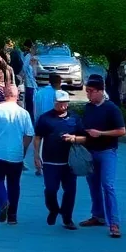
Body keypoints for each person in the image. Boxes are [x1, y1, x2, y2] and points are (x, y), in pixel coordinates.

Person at [72, 77, 126, 238]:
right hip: (90, 152)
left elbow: (122, 131)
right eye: (86, 91)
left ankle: (114, 223)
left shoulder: (112, 109)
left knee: (108, 185)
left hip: (107, 152)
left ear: (100, 91)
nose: (88, 94)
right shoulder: (88, 107)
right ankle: (98, 215)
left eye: (90, 91)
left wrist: (100, 133)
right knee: (93, 185)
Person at [0, 84, 35, 224]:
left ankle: (4, 201)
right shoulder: (24, 113)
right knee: (14, 184)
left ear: (4, 94)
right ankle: (12, 216)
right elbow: (29, 134)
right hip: (16, 155)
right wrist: (23, 149)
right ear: (17, 96)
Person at [34, 90, 82, 230]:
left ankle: (67, 218)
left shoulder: (75, 118)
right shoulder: (45, 118)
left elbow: (83, 137)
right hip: (50, 161)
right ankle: (54, 208)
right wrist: (36, 155)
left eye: (64, 103)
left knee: (70, 190)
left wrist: (74, 138)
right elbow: (38, 137)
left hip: (70, 162)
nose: (62, 106)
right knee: (50, 189)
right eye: (59, 103)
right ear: (54, 102)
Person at [21, 40, 40, 122]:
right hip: (29, 84)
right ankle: (30, 121)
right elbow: (24, 69)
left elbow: (35, 73)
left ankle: (32, 121)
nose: (35, 50)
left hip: (32, 84)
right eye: (33, 48)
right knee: (30, 105)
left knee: (31, 105)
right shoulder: (28, 56)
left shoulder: (33, 58)